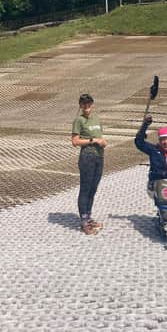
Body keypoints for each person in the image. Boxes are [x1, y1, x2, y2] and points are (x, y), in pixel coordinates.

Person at [71, 93, 107, 235]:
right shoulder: (78, 121)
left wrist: (103, 142)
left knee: (93, 188)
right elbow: (75, 141)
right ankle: (84, 220)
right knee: (85, 188)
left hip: (99, 156)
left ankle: (89, 216)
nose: (87, 106)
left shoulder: (96, 118)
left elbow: (100, 136)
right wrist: (93, 140)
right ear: (80, 106)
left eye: (89, 104)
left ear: (92, 104)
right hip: (87, 157)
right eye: (84, 104)